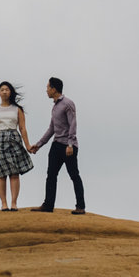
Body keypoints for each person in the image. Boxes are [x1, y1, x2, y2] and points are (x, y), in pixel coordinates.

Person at [27, 76, 84, 215]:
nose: (46, 90)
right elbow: (51, 129)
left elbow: (73, 124)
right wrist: (39, 145)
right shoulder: (55, 107)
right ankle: (48, 205)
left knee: (74, 175)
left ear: (54, 89)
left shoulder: (68, 103)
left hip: (68, 146)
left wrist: (70, 144)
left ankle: (80, 206)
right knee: (51, 175)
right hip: (56, 145)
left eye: (48, 87)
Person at [0, 80, 33, 210]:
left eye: (7, 89)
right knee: (1, 173)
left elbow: (23, 128)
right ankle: (3, 203)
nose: (4, 92)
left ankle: (14, 203)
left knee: (14, 173)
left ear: (10, 92)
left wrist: (27, 145)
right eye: (2, 90)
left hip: (13, 138)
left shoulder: (17, 109)